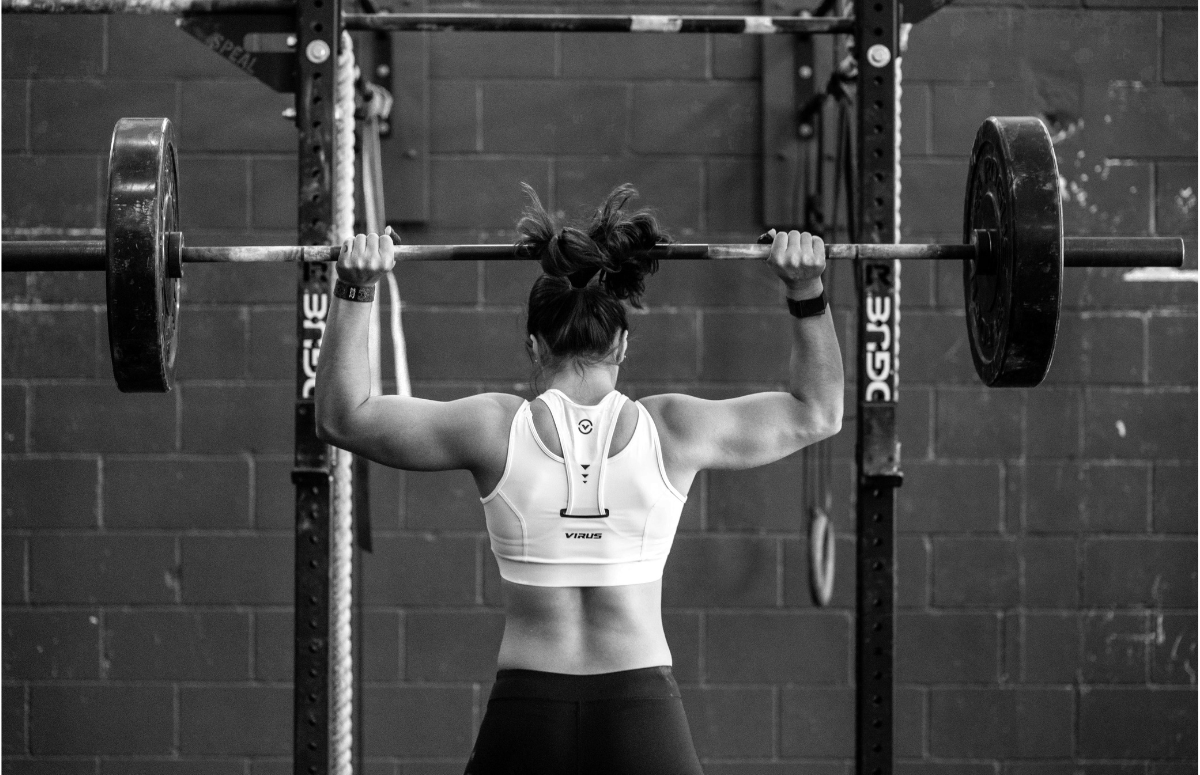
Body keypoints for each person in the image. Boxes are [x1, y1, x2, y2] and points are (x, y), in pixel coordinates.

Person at [315, 184, 844, 775]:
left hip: (526, 714)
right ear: (622, 342)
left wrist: (356, 287)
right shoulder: (673, 429)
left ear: (533, 346)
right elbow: (816, 412)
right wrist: (807, 290)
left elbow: (344, 416)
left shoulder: (493, 429)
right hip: (642, 715)